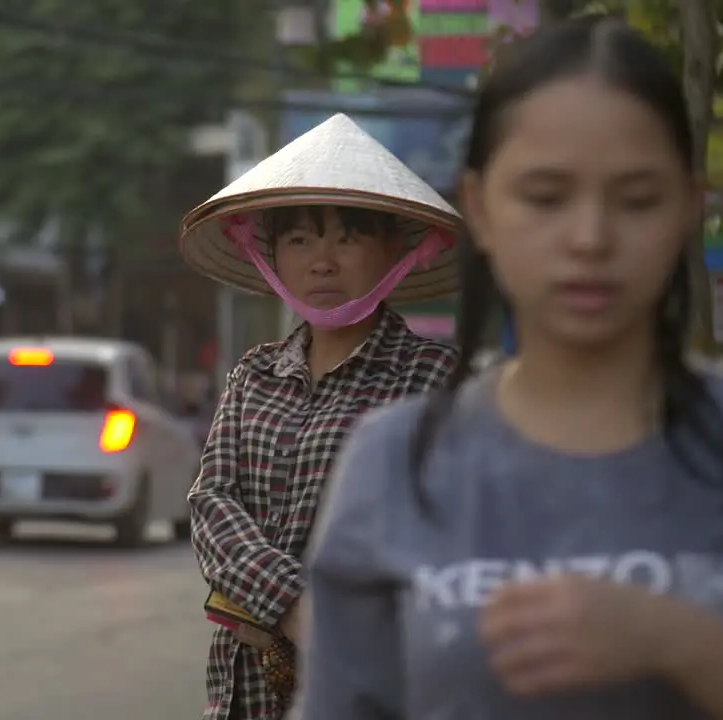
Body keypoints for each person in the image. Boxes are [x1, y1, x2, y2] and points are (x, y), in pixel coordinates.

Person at [301, 15, 723, 719]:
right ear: (481, 209)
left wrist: (677, 640)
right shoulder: (395, 461)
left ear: (688, 210)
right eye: (546, 198)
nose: (590, 238)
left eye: (637, 200)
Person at [179, 113, 462, 720]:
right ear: (271, 256)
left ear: (396, 250)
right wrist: (294, 603)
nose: (323, 262)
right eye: (300, 240)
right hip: (245, 691)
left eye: (348, 238)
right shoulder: (254, 374)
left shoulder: (431, 378)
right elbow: (212, 501)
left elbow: (430, 534)